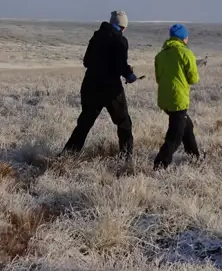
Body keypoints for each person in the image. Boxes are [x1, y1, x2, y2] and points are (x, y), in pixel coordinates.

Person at [61, 10, 138, 161]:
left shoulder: (96, 37)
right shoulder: (120, 41)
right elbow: (120, 65)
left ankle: (67, 156)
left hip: (90, 85)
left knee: (84, 123)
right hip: (110, 88)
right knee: (124, 122)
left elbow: (86, 61)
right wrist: (129, 74)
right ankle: (126, 158)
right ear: (124, 25)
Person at [152, 24, 201, 170]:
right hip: (178, 99)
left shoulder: (160, 55)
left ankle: (194, 155)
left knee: (187, 124)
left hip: (164, 99)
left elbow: (158, 78)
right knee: (175, 136)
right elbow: (193, 79)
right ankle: (160, 164)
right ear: (184, 38)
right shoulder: (186, 53)